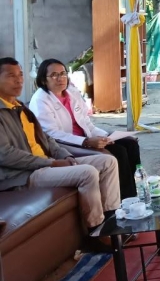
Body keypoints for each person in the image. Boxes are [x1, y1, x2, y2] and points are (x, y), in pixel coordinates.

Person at [0, 58, 120, 244]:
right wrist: (53, 163)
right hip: (24, 174)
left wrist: (66, 156)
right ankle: (96, 233)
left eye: (20, 75)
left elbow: (46, 139)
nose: (18, 80)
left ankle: (112, 221)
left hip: (46, 164)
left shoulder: (20, 107)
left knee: (108, 161)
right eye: (11, 76)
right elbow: (5, 154)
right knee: (87, 173)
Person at [29, 58, 138, 199]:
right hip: (67, 144)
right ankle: (126, 199)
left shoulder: (71, 92)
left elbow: (86, 122)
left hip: (86, 138)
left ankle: (138, 191)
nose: (60, 78)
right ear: (44, 80)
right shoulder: (40, 100)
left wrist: (105, 136)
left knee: (130, 143)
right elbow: (52, 134)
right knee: (119, 152)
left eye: (63, 73)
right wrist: (86, 142)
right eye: (54, 75)